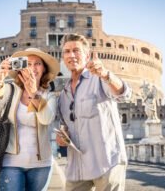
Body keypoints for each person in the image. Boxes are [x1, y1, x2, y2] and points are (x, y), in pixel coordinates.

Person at [56, 33, 132, 191]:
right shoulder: (63, 95)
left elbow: (124, 94)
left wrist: (105, 74)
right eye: (67, 51)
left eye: (76, 50)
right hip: (77, 166)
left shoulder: (99, 79)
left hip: (107, 162)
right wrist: (62, 138)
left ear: (87, 55)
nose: (71, 55)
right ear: (63, 57)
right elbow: (65, 126)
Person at [0, 48, 60, 191]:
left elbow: (46, 119)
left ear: (44, 69)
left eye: (37, 63)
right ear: (20, 68)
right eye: (28, 63)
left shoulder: (49, 96)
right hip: (10, 163)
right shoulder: (9, 90)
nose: (32, 67)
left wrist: (33, 92)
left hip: (41, 165)